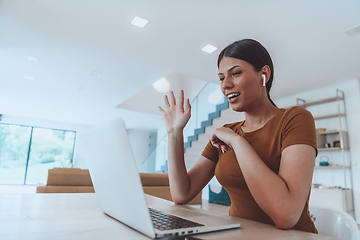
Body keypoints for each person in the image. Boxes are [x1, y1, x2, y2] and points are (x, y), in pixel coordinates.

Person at [158, 39, 318, 233]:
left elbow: (286, 215)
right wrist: (174, 133)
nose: (225, 85)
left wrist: (237, 141)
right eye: (221, 78)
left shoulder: (295, 119)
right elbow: (182, 193)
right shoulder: (227, 132)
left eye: (235, 73)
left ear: (264, 75)